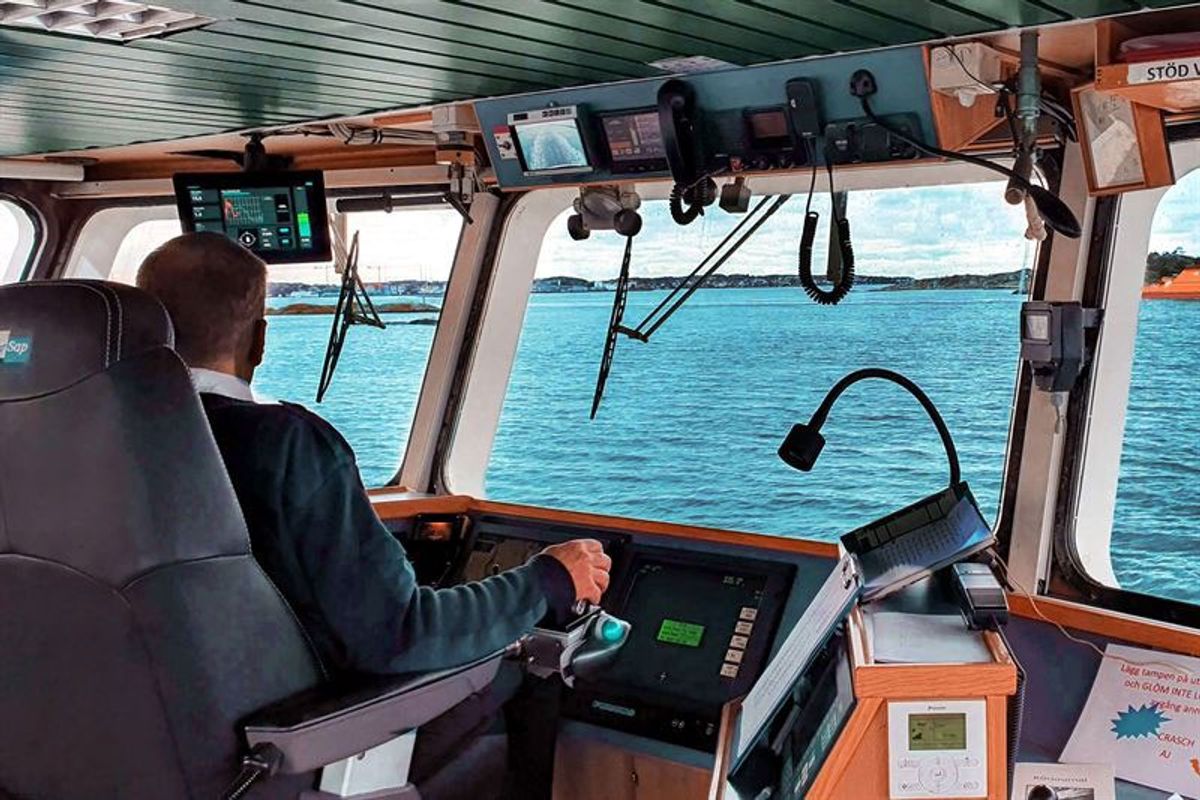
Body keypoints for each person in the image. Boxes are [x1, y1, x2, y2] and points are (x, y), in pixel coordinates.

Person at [136, 231, 611, 797]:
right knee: (525, 670)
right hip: (264, 753)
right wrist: (548, 580)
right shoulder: (287, 446)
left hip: (119, 743)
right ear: (259, 341)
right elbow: (398, 635)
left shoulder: (74, 442)